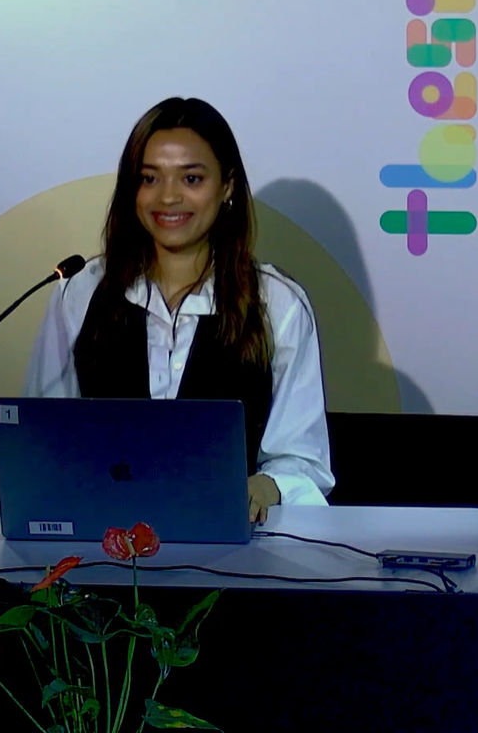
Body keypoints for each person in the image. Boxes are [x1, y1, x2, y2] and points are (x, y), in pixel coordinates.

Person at [24, 97, 335, 524]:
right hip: (102, 539)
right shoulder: (81, 292)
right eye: (149, 178)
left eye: (191, 178)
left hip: (234, 546)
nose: (168, 197)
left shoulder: (277, 304)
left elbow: (302, 461)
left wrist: (267, 485)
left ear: (227, 186)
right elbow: (43, 438)